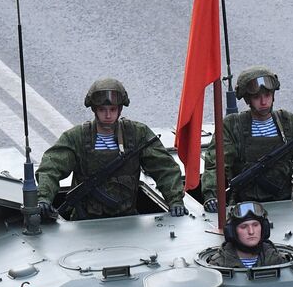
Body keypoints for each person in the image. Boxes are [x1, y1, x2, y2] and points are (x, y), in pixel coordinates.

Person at [35, 78, 185, 220]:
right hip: (85, 221)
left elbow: (164, 168)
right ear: (94, 109)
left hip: (127, 219)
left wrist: (175, 200)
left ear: (120, 109)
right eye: (102, 109)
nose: (108, 115)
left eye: (112, 109)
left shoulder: (136, 134)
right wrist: (44, 198)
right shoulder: (77, 137)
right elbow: (51, 167)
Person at [200, 66, 293, 211]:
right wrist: (212, 195)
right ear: (248, 99)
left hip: (284, 201)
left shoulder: (288, 122)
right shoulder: (233, 125)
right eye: (256, 97)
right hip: (244, 205)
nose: (264, 102)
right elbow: (217, 163)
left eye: (267, 95)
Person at [203, 202, 289, 269]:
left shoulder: (276, 259)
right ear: (232, 232)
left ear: (264, 228)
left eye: (255, 225)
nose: (251, 232)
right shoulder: (219, 264)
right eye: (244, 227)